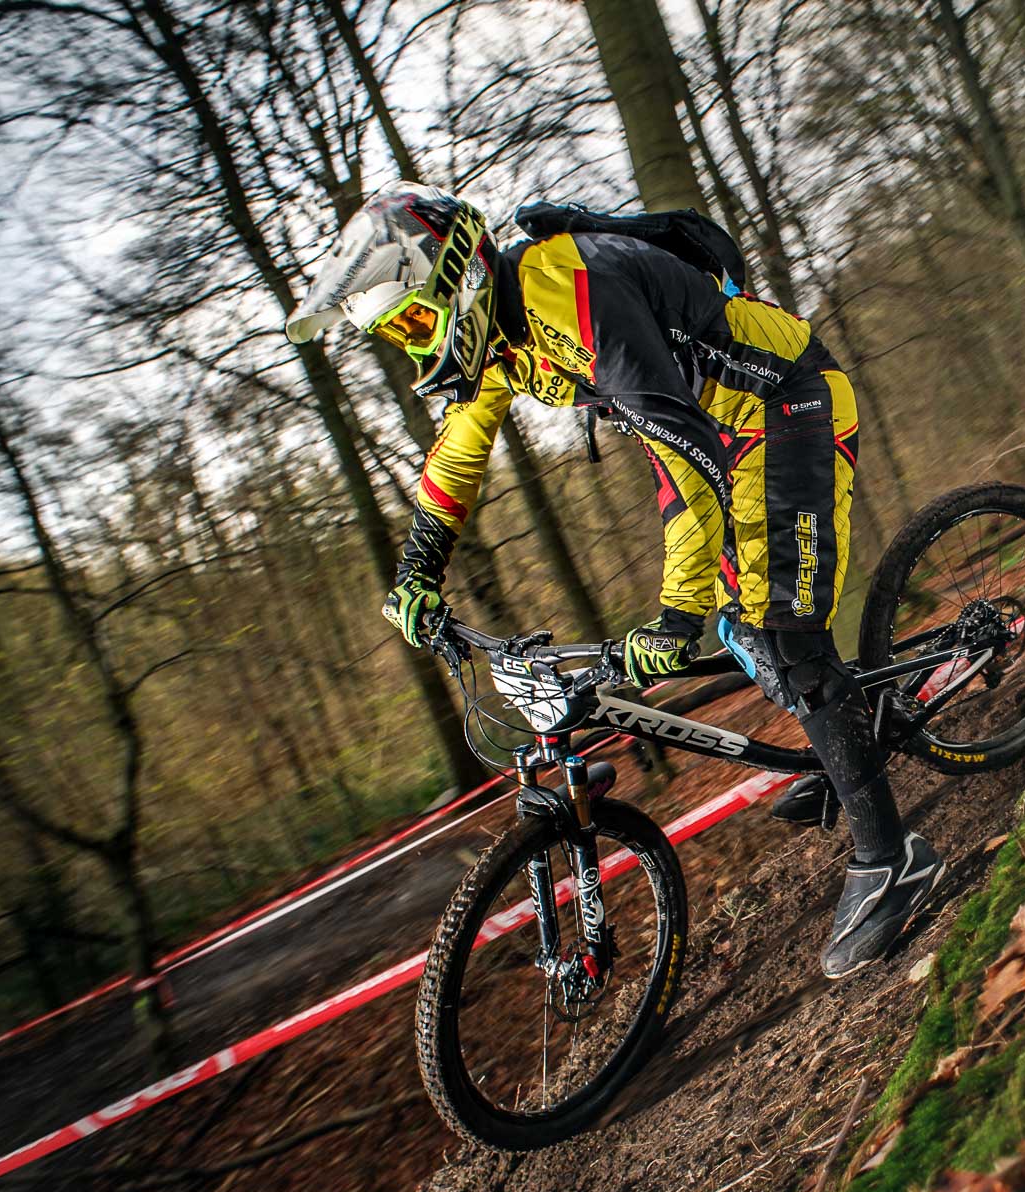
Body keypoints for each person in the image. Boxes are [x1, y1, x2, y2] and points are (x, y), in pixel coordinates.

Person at [285, 182, 941, 979]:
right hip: (712, 431)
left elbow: (683, 450)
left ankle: (891, 860)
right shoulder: (499, 340)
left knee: (782, 630)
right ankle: (849, 747)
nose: (417, 347)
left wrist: (675, 616)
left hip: (784, 401)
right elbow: (456, 456)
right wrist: (417, 568)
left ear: (458, 276)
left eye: (416, 322)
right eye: (398, 335)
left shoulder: (569, 289)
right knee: (746, 630)